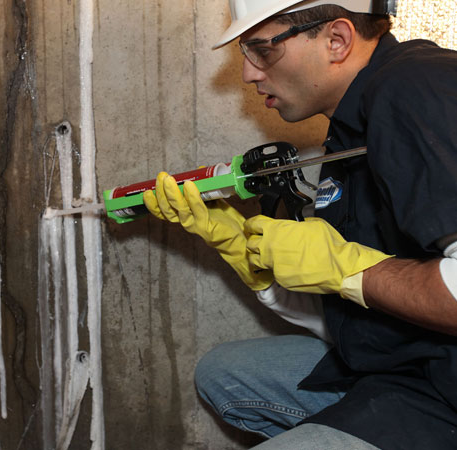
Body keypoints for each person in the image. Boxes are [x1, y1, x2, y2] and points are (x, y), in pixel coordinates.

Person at [143, 1, 457, 449]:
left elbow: (361, 276)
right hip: (415, 364)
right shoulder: (352, 124)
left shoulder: (416, 90)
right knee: (225, 374)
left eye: (262, 50)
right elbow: (358, 304)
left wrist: (348, 268)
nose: (249, 73)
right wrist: (250, 257)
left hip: (444, 394)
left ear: (337, 40)